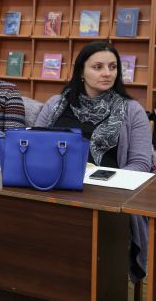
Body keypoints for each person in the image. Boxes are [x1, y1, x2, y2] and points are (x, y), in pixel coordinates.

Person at [34, 41, 151, 282]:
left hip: (107, 200)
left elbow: (140, 164)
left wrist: (95, 179)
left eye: (112, 67)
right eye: (98, 67)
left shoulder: (132, 110)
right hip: (53, 190)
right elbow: (34, 146)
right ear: (81, 71)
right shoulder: (56, 104)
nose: (107, 73)